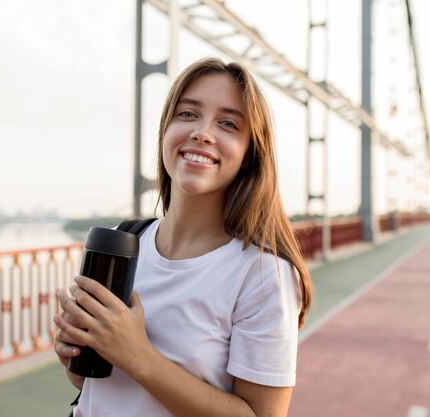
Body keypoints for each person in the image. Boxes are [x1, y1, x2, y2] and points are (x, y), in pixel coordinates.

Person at [53, 57, 312, 417]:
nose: (202, 132)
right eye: (188, 114)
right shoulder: (121, 240)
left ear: (249, 155)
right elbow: (94, 387)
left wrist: (138, 355)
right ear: (165, 130)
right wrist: (76, 353)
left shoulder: (262, 273)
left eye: (227, 123)